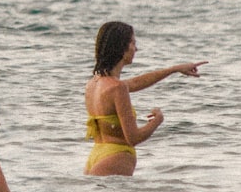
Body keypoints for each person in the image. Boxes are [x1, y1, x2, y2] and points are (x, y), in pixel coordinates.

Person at [84, 21, 207, 176]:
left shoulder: (94, 84)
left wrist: (173, 69)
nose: (136, 48)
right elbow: (133, 138)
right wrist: (158, 120)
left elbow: (136, 82)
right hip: (116, 156)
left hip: (96, 155)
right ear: (122, 48)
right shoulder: (118, 88)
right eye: (133, 43)